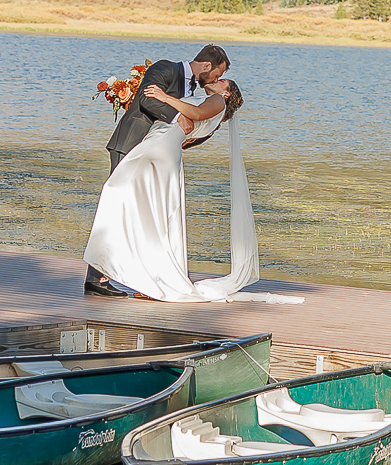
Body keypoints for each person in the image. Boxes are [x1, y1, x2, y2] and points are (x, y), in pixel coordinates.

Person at [82, 59, 298, 305]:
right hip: (163, 148)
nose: (216, 81)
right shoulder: (212, 116)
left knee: (118, 195)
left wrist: (165, 98)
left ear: (227, 92)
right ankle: (146, 278)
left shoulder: (218, 101)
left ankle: (116, 276)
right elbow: (189, 133)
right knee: (150, 215)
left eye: (222, 80)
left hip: (158, 148)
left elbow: (193, 114)